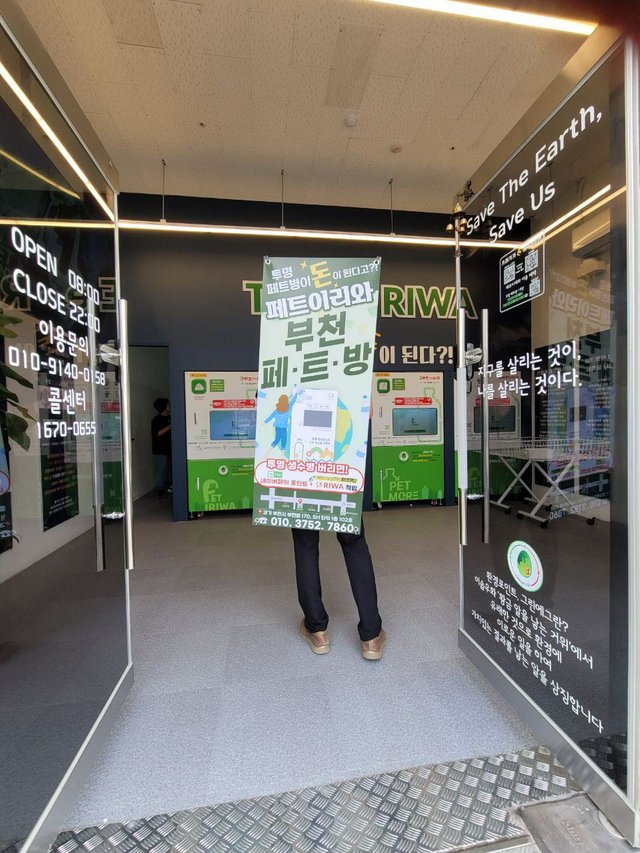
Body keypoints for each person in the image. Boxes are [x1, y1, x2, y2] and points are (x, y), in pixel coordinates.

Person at [292, 521, 386, 661]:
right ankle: (371, 637)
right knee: (354, 542)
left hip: (304, 499)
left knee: (305, 544)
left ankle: (317, 631)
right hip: (345, 497)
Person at [151, 397, 172, 497]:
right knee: (161, 469)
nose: (169, 406)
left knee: (171, 468)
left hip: (171, 448)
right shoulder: (156, 420)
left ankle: (170, 487)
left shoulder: (171, 417)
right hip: (160, 449)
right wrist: (169, 427)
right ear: (163, 407)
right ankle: (160, 490)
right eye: (168, 405)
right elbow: (157, 434)